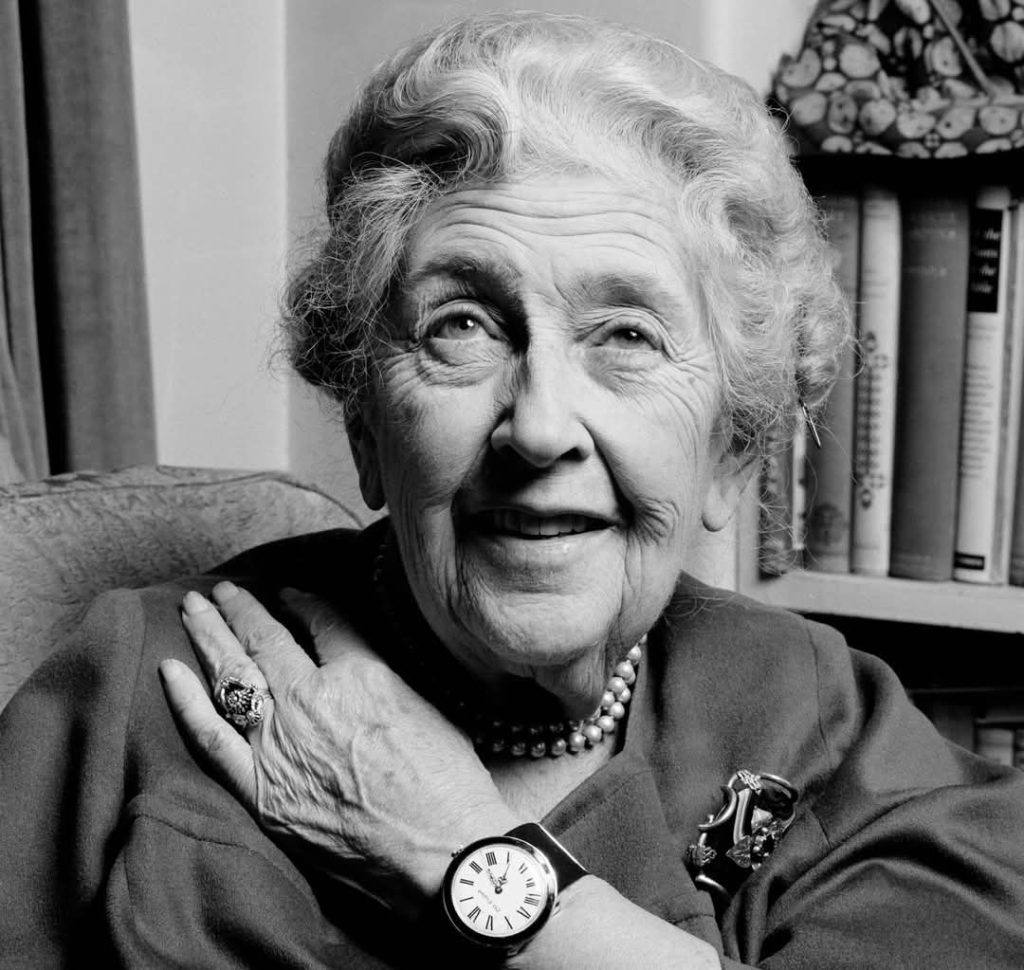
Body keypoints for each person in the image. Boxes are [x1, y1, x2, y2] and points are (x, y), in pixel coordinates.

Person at [2, 11, 1023, 969]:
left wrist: (459, 851)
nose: (537, 427)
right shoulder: (147, 690)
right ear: (365, 423)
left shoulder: (817, 724)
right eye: (462, 326)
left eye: (626, 336)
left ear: (729, 450)